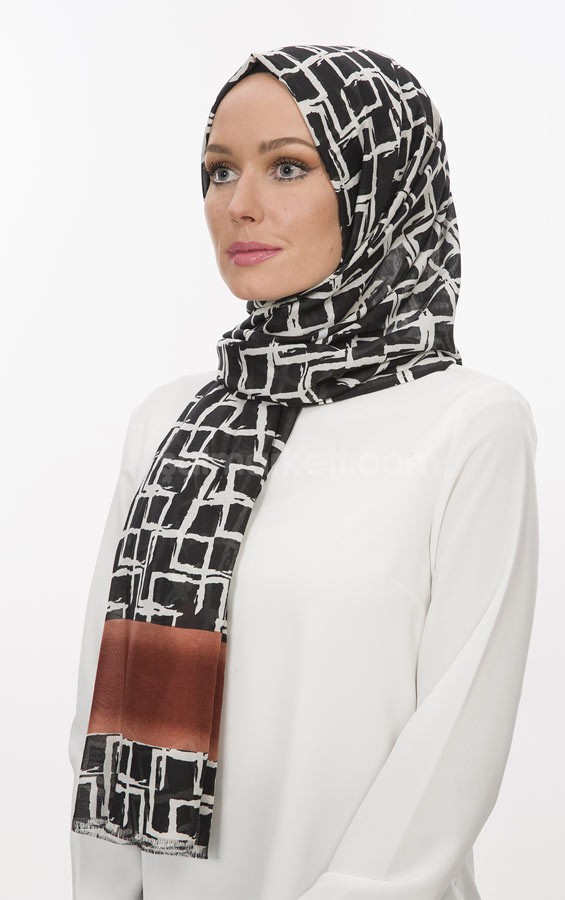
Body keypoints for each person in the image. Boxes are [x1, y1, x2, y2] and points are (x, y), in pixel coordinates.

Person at [68, 44, 539, 900]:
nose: (239, 204)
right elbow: (107, 716)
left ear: (379, 182)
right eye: (219, 171)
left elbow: (453, 748)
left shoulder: (470, 425)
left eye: (288, 166)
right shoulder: (169, 423)